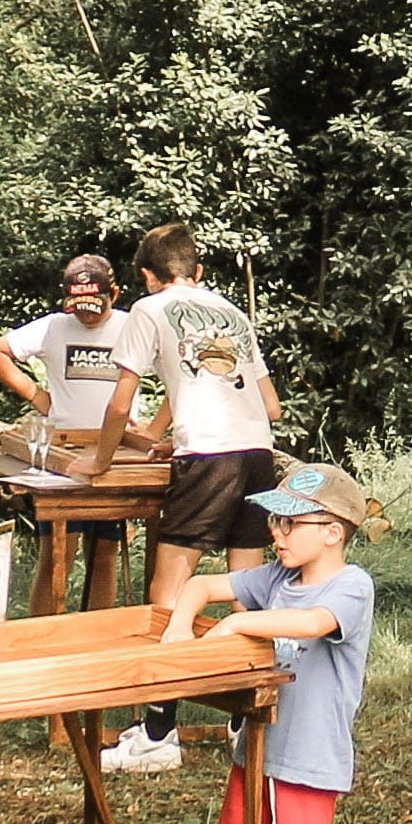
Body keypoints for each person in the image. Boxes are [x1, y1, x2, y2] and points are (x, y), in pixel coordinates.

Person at [161, 459, 378, 824]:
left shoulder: (349, 586)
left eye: (289, 524)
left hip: (307, 764)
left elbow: (312, 623)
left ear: (332, 531)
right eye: (274, 523)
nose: (275, 534)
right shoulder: (275, 579)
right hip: (254, 755)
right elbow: (202, 586)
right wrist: (182, 627)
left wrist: (241, 626)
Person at [108, 223, 285, 776]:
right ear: (198, 271)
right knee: (246, 587)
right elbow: (271, 405)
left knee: (170, 588)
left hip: (206, 459)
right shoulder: (232, 313)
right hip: (256, 451)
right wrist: (169, 430)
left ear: (146, 276)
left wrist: (97, 462)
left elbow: (119, 405)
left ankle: (159, 730)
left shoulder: (147, 309)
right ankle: (246, 718)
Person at [0, 253, 166, 487]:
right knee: (58, 516)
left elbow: (180, 376)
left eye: (94, 308)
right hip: (64, 444)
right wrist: (37, 396)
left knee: (108, 520)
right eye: (79, 308)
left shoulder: (133, 326)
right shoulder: (52, 327)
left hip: (117, 447)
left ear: (114, 294)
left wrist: (154, 431)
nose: (86, 315)